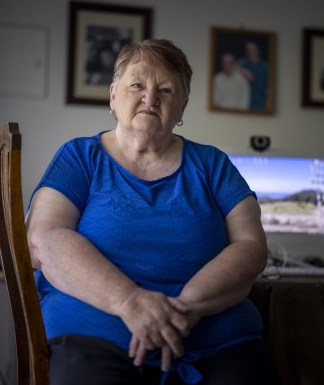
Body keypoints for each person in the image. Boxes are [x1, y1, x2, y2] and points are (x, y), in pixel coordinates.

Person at [26, 38, 280, 385]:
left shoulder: (213, 164)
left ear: (182, 107)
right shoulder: (79, 157)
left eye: (166, 89)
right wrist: (130, 302)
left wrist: (184, 309)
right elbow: (44, 240)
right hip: (95, 336)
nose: (150, 97)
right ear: (113, 95)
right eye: (137, 84)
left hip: (214, 339)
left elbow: (251, 246)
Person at [237, 42, 268, 110]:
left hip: (260, 103)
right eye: (248, 50)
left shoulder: (265, 67)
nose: (250, 52)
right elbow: (232, 67)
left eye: (253, 50)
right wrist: (244, 71)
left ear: (258, 51)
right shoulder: (242, 63)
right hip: (245, 103)